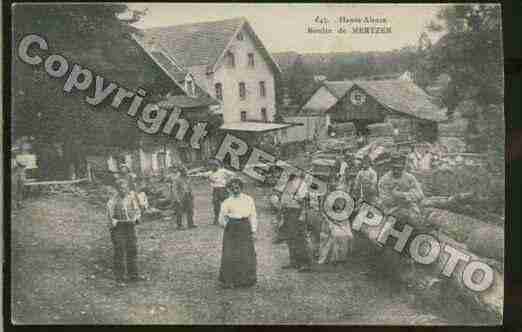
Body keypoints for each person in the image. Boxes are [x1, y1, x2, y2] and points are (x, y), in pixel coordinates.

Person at [218, 178, 257, 288]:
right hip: (232, 228)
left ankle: (246, 280)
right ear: (230, 189)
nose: (235, 190)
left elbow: (253, 215)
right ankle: (229, 280)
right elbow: (221, 218)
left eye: (237, 188)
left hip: (245, 227)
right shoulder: (227, 202)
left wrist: (253, 230)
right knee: (230, 253)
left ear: (241, 187)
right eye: (233, 188)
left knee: (245, 253)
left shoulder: (248, 199)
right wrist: (229, 226)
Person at [106, 179, 142, 284]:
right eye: (121, 188)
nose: (123, 190)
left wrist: (136, 218)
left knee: (132, 249)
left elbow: (137, 211)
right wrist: (115, 222)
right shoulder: (112, 201)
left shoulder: (131, 199)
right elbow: (110, 216)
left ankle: (133, 274)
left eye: (125, 188)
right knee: (119, 251)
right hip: (119, 228)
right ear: (117, 189)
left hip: (130, 226)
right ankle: (119, 277)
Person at [378, 153, 424, 226]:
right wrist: (408, 196)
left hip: (410, 209)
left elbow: (420, 195)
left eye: (399, 168)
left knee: (417, 222)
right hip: (391, 210)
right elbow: (385, 199)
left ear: (403, 167)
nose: (396, 171)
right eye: (394, 168)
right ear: (390, 166)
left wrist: (402, 195)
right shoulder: (384, 180)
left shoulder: (410, 178)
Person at [280, 174, 311, 272]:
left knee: (299, 238)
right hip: (287, 211)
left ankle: (304, 263)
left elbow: (304, 200)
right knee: (290, 237)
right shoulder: (287, 182)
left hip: (296, 212)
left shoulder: (301, 183)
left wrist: (302, 214)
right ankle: (293, 261)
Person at [196, 159, 235, 225]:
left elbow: (233, 174)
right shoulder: (210, 173)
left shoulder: (223, 171)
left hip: (223, 189)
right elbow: (202, 175)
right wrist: (199, 174)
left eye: (212, 166)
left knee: (226, 204)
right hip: (215, 190)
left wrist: (228, 182)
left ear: (216, 166)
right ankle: (216, 219)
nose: (211, 168)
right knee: (216, 205)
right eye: (210, 166)